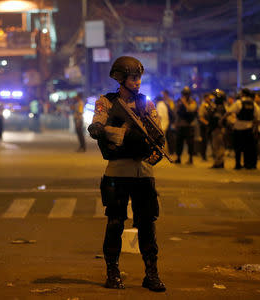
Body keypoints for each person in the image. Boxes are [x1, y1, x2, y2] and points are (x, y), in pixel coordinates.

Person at [88, 56, 166, 292]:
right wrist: (118, 134)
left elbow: (158, 135)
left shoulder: (147, 104)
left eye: (139, 77)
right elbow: (96, 128)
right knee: (115, 223)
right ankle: (113, 272)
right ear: (121, 79)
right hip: (118, 170)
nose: (138, 82)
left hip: (143, 171)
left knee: (147, 224)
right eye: (133, 78)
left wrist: (155, 147)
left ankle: (151, 273)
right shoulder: (106, 103)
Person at [227, 89, 260, 169]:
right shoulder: (254, 104)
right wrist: (255, 129)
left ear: (243, 94)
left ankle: (238, 164)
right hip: (249, 128)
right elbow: (258, 118)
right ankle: (247, 164)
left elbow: (229, 111)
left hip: (238, 128)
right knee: (248, 148)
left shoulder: (239, 103)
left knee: (237, 148)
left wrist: (222, 120)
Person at [175, 86, 197, 164]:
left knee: (190, 143)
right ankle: (178, 158)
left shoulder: (192, 102)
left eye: (186, 94)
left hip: (189, 125)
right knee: (179, 142)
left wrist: (184, 103)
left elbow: (191, 109)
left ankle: (190, 158)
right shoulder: (179, 101)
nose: (185, 96)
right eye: (184, 94)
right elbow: (177, 112)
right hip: (181, 125)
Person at [209, 89, 227, 168]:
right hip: (218, 129)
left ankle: (218, 163)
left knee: (218, 146)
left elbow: (216, 119)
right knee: (218, 146)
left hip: (218, 129)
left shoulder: (219, 108)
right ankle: (219, 162)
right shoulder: (220, 107)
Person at [156, 90, 176, 154]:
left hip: (162, 124)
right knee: (165, 139)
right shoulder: (164, 104)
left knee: (163, 139)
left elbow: (160, 116)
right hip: (166, 123)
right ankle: (166, 152)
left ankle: (164, 152)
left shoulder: (160, 105)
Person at [198, 93, 214, 161]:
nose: (210, 99)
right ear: (205, 98)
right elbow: (201, 117)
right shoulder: (203, 106)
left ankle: (214, 155)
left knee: (212, 141)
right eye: (208, 98)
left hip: (210, 126)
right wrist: (207, 123)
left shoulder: (212, 105)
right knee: (204, 142)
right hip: (204, 127)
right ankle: (203, 156)